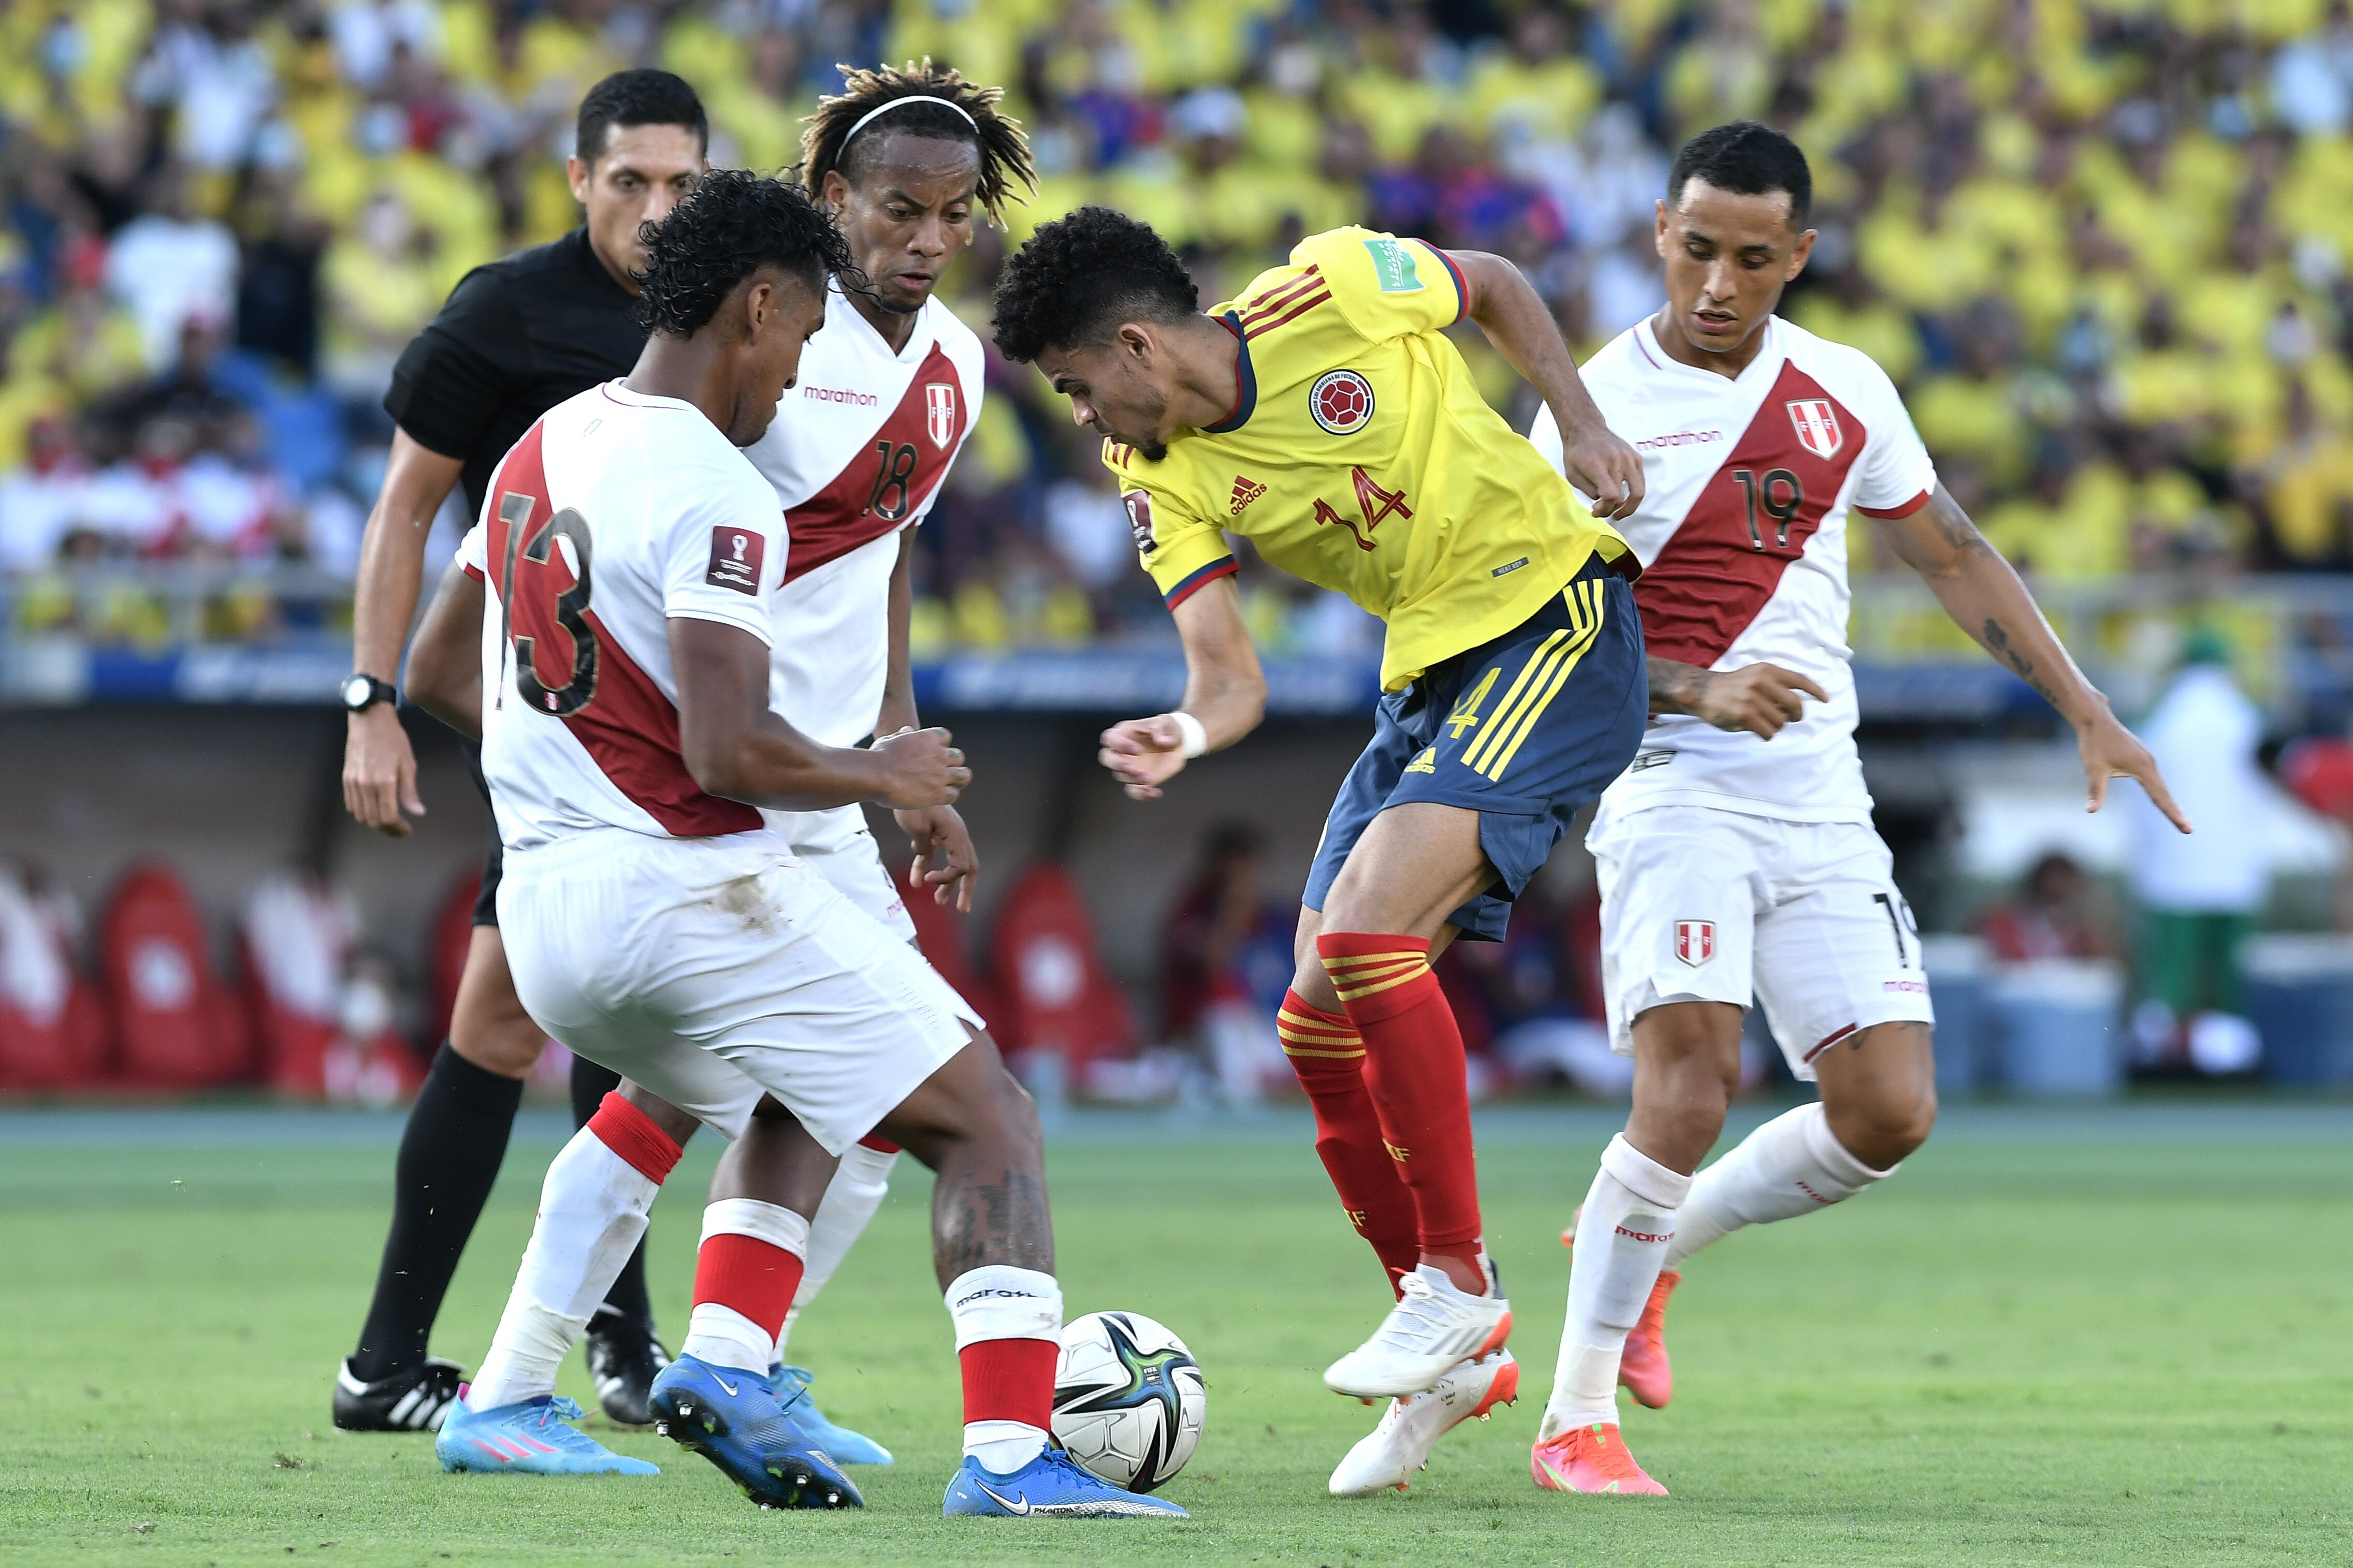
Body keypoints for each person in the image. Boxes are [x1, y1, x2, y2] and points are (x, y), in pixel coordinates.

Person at [401, 168, 1184, 1520]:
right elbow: (724, 750)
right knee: (987, 1110)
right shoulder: (717, 486)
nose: (800, 371)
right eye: (804, 335)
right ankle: (1009, 1457)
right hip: (683, 890)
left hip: (546, 914)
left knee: (771, 1090)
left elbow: (437, 670)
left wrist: (570, 770)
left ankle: (655, 1369)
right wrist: (879, 763)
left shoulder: (544, 442)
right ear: (757, 306)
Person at [1520, 121, 2188, 1494]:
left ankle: (1642, 1250)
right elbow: (1541, 635)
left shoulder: (1842, 387)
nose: (1718, 280)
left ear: (1798, 257)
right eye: (1697, 247)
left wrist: (2086, 704)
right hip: (1670, 785)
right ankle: (1576, 1419)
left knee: (1888, 1110)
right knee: (1691, 1078)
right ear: (1660, 230)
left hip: (1822, 803)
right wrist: (1697, 688)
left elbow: (1950, 549)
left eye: (1752, 257)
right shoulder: (1594, 407)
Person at [992, 206, 1649, 1496]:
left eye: (1078, 389)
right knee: (1310, 1017)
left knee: (1361, 941)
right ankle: (1453, 1346)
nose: (1083, 420)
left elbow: (1499, 282)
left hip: (1553, 619)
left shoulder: (1334, 287)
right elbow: (1228, 678)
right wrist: (1186, 728)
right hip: (1426, 690)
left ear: (1134, 349)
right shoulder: (1159, 473)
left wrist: (1576, 419)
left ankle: (1455, 1280)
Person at [334, 68, 710, 1434]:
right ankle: (420, 1358)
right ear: (578, 179)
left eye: (681, 184)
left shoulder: (737, 305)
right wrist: (371, 699)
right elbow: (402, 512)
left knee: (602, 1019)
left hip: (685, 730)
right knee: (537, 1022)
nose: (657, 210)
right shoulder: (510, 312)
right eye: (631, 182)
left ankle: (598, 1343)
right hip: (566, 739)